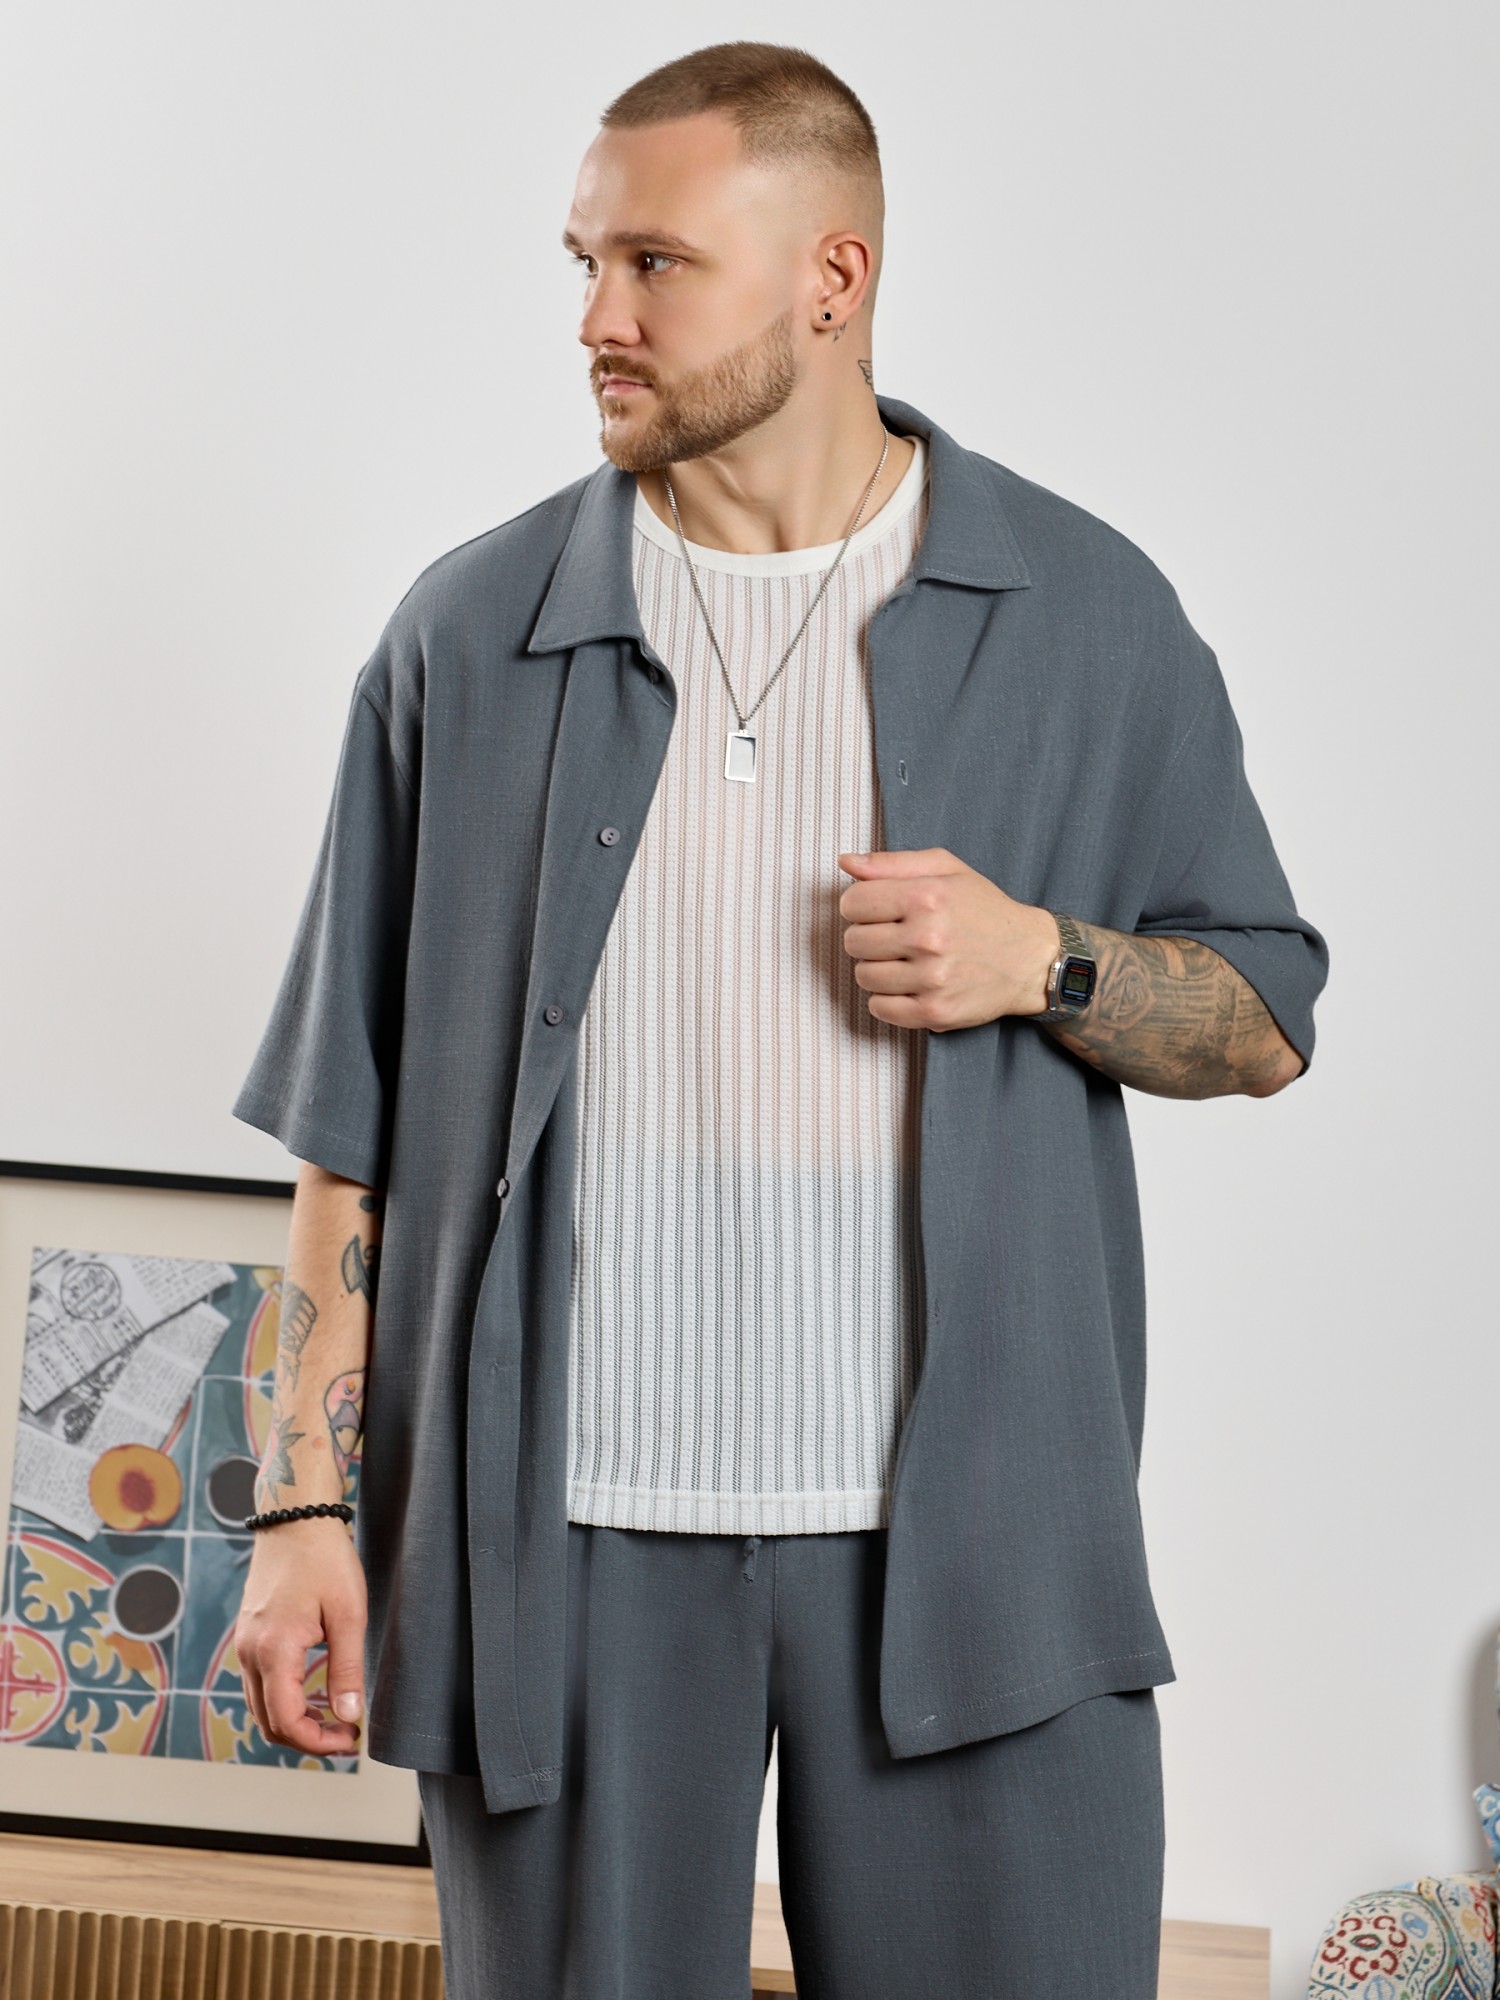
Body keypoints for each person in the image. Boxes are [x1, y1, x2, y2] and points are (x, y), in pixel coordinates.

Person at [229, 39, 1329, 2000]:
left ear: (835, 278)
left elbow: (1266, 1020)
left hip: (981, 1567)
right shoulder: (468, 639)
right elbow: (351, 1137)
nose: (599, 316)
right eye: (585, 261)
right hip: (557, 1562)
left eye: (657, 263)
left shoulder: (1088, 617)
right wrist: (306, 1512)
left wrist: (1042, 960)